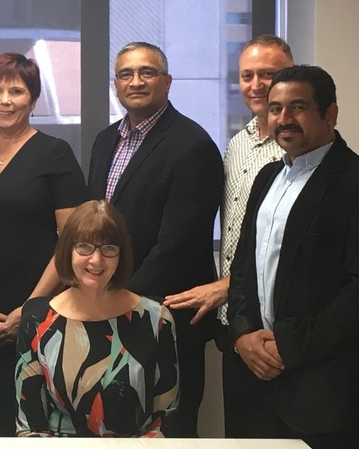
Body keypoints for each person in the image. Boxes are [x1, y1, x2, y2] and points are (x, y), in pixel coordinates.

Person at [226, 65, 359, 449]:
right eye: (275, 108)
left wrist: (285, 344)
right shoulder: (266, 177)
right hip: (256, 384)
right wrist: (243, 334)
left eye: (297, 107)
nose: (283, 119)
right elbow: (241, 269)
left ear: (329, 113)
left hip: (325, 393)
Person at [86, 41, 222, 437]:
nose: (136, 81)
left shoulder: (191, 145)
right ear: (115, 84)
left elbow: (178, 245)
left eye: (147, 72)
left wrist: (120, 299)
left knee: (169, 429)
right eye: (126, 74)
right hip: (109, 309)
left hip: (165, 316)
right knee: (113, 425)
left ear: (167, 81)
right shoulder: (104, 140)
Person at [161, 35, 293, 435]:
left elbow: (290, 242)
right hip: (232, 321)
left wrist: (225, 285)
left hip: (278, 323)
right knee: (242, 434)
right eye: (247, 75)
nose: (255, 85)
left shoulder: (297, 149)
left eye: (267, 74)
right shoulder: (237, 145)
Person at [0, 52, 85, 433]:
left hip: (44, 309)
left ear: (33, 98)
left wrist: (30, 309)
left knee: (43, 420)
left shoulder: (55, 154)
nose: (5, 100)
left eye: (16, 91)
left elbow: (72, 240)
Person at [15, 200, 178, 437]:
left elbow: (166, 421)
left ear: (121, 254)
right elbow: (30, 428)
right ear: (67, 251)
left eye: (109, 248)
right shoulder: (37, 322)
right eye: (84, 247)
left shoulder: (157, 319)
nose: (96, 260)